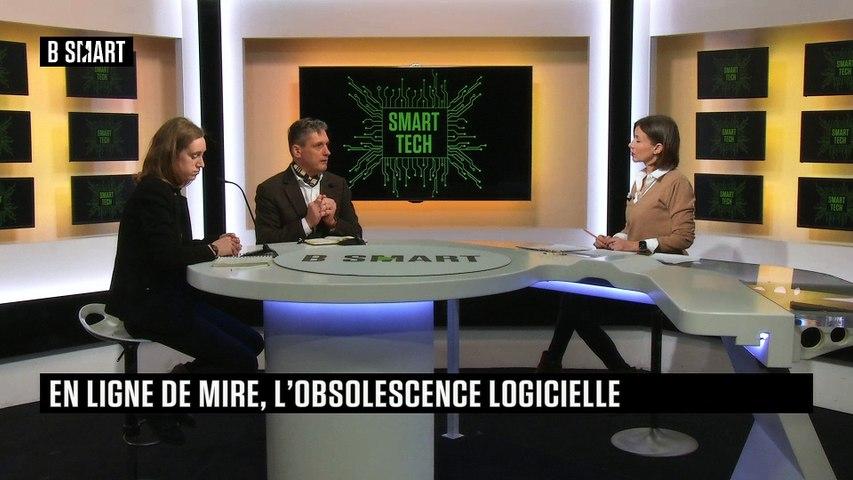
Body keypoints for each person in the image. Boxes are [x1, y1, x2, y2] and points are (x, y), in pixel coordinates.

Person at [107, 117, 264, 376]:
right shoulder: (153, 193)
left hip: (172, 300)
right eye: (194, 156)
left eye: (202, 155)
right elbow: (167, 256)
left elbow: (176, 245)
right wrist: (214, 249)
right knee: (244, 361)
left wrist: (215, 242)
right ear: (171, 154)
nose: (201, 163)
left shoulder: (169, 192)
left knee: (254, 342)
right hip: (149, 307)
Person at [538, 114, 695, 373]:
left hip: (661, 276)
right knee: (574, 298)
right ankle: (601, 368)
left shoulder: (677, 182)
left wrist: (634, 246)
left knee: (574, 304)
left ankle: (557, 364)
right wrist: (616, 239)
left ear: (658, 148)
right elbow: (632, 229)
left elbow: (683, 237)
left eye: (638, 140)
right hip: (635, 268)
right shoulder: (641, 181)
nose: (631, 145)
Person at [255, 118, 362, 244]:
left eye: (326, 145)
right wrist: (307, 223)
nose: (327, 152)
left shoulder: (338, 184)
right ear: (297, 151)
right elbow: (265, 240)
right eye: (319, 146)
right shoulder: (270, 190)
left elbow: (357, 233)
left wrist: (333, 222)